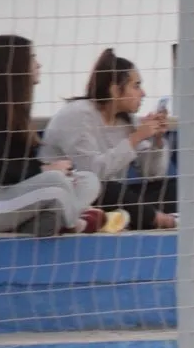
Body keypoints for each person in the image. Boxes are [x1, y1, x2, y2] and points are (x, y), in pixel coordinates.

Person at [0, 34, 109, 236]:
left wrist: (47, 171)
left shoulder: (16, 108)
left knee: (88, 180)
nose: (38, 64)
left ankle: (49, 223)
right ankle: (74, 223)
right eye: (32, 58)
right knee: (56, 180)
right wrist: (44, 169)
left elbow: (20, 170)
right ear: (17, 64)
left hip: (11, 197)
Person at [40, 48, 174, 230]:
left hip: (115, 197)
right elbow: (93, 173)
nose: (143, 93)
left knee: (171, 187)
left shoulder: (126, 121)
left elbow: (153, 174)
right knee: (110, 189)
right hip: (74, 194)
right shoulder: (78, 115)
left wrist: (156, 141)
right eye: (136, 86)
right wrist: (134, 139)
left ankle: (152, 216)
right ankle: (158, 219)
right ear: (114, 90)